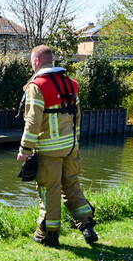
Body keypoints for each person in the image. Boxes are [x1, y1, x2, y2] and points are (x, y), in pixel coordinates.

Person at [16, 45, 98, 247]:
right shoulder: (71, 84)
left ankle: (48, 234)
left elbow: (33, 120)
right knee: (72, 185)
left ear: (36, 61)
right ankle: (87, 225)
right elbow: (77, 116)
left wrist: (25, 149)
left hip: (48, 149)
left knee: (49, 190)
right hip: (70, 146)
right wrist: (75, 144)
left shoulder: (38, 85)